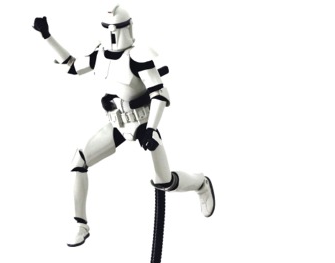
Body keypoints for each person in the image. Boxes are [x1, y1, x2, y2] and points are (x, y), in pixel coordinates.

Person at [33, 5, 215, 247]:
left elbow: (159, 94)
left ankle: (201, 183)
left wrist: (151, 129)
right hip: (118, 124)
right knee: (79, 161)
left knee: (163, 181)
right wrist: (47, 36)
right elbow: (72, 66)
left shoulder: (138, 56)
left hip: (143, 124)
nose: (113, 35)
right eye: (109, 29)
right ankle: (81, 224)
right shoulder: (99, 56)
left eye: (117, 29)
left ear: (127, 29)